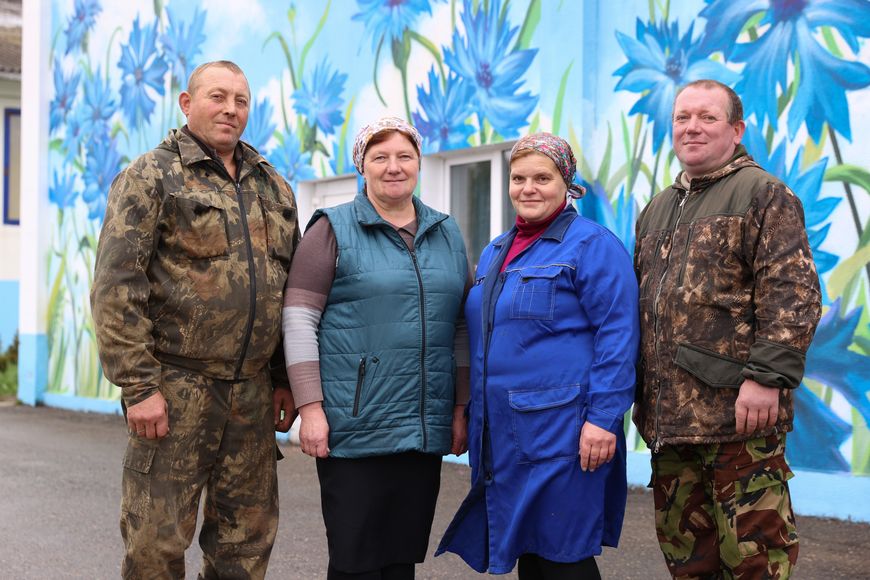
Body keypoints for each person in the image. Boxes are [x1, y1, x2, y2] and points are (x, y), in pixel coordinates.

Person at [91, 60, 300, 579]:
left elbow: (285, 290)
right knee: (155, 545)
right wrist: (139, 386)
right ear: (187, 104)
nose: (231, 109)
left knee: (245, 547)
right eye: (217, 97)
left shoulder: (273, 187)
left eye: (241, 100)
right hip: (175, 389)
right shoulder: (150, 176)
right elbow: (117, 287)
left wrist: (282, 378)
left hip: (251, 396)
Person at [632, 79, 822, 578]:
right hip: (670, 427)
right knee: (690, 566)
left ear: (736, 130)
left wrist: (766, 379)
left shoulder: (764, 194)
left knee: (755, 563)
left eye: (707, 117)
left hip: (739, 421)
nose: (691, 127)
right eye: (682, 117)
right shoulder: (657, 209)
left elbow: (793, 293)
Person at [437, 133, 639, 579]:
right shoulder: (495, 252)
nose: (528, 188)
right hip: (504, 435)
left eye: (542, 178)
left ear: (566, 183)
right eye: (518, 178)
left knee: (563, 556)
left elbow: (619, 335)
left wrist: (603, 418)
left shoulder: (592, 245)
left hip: (564, 435)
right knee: (530, 553)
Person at [281, 116, 470, 580]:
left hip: (421, 428)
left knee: (400, 560)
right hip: (354, 427)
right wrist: (311, 409)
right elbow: (299, 320)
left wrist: (459, 408)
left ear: (419, 163)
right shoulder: (332, 229)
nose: (393, 166)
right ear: (361, 166)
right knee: (356, 563)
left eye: (404, 156)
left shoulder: (446, 232)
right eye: (380, 156)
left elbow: (461, 325)